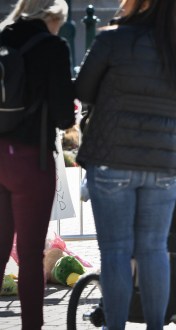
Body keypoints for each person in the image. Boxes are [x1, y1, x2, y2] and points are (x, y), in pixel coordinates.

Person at [74, 0, 176, 328]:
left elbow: (83, 89)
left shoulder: (111, 39)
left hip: (112, 160)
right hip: (163, 165)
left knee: (116, 252)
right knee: (153, 249)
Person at [0, 0, 75, 329]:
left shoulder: (2, 36)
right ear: (52, 14)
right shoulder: (53, 47)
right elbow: (63, 115)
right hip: (31, 159)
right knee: (30, 256)